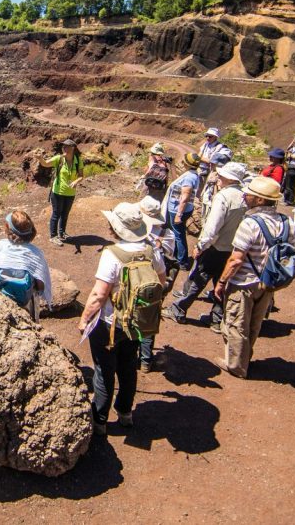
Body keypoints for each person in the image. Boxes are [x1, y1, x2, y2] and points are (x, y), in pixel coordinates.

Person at [78, 203, 166, 434]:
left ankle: (100, 420)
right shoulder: (151, 250)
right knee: (128, 367)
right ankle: (125, 413)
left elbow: (99, 294)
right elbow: (162, 282)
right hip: (137, 321)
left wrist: (84, 319)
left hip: (111, 323)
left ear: (114, 228)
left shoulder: (112, 254)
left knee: (104, 371)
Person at [213, 176, 293, 378]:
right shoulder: (286, 222)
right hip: (268, 282)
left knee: (236, 323)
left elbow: (236, 259)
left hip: (244, 282)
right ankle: (245, 357)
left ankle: (237, 365)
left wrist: (222, 281)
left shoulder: (250, 223)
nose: (245, 196)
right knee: (255, 323)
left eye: (249, 194)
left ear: (260, 200)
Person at [168, 162, 248, 331]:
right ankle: (216, 318)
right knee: (222, 282)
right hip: (232, 248)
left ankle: (179, 309)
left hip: (215, 246)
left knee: (199, 278)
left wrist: (201, 245)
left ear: (229, 178)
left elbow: (212, 227)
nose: (218, 177)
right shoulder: (244, 197)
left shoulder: (224, 197)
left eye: (222, 175)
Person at [0, 210, 53, 320]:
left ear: (8, 229)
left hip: (1, 299)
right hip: (25, 301)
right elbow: (41, 285)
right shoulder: (35, 252)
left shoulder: (0, 245)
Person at [137, 195, 175, 372]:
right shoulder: (168, 235)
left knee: (131, 315)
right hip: (155, 283)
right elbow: (166, 262)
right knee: (150, 320)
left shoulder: (137, 231)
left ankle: (133, 356)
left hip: (137, 280)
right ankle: (145, 359)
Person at [162, 152, 201, 270]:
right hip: (181, 209)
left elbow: (185, 196)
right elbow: (177, 181)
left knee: (178, 235)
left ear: (186, 163)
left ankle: (182, 261)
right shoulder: (191, 174)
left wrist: (178, 215)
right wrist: (172, 166)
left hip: (177, 209)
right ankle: (176, 255)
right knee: (177, 233)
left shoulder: (189, 177)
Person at [43, 138, 84, 246]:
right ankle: (53, 236)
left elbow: (81, 175)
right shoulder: (59, 158)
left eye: (66, 146)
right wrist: (39, 159)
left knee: (65, 214)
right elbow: (45, 164)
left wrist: (76, 181)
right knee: (57, 214)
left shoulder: (78, 160)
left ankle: (62, 233)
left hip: (70, 193)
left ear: (73, 148)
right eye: (63, 146)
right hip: (57, 192)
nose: (64, 148)